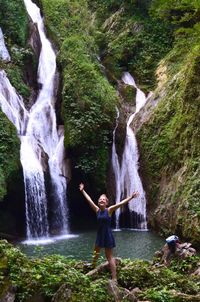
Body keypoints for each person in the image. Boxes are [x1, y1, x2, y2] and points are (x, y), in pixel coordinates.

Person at [79, 182, 139, 281]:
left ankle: (114, 277)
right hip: (100, 234)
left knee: (109, 257)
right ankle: (92, 265)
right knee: (96, 252)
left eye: (103, 199)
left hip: (107, 235)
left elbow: (121, 204)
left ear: (106, 203)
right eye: (100, 199)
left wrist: (131, 197)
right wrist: (82, 191)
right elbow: (89, 200)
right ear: (98, 202)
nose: (101, 200)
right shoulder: (97, 210)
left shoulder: (109, 210)